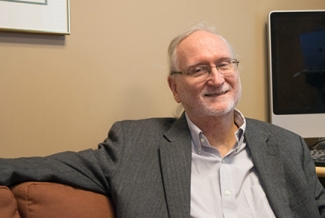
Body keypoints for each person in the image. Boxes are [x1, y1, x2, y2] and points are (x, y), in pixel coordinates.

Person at [1, 24, 325, 218]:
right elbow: (46, 166)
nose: (216, 78)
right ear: (175, 88)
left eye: (224, 64)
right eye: (198, 69)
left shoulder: (287, 145)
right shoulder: (134, 144)